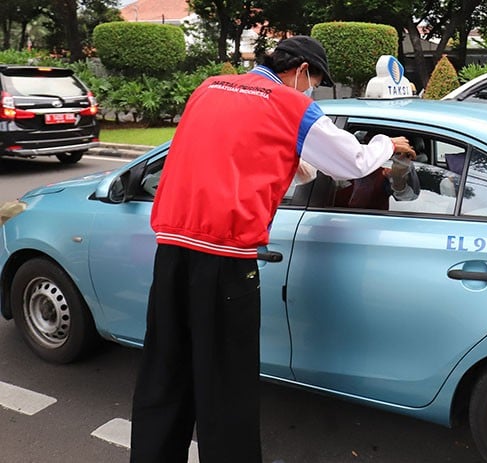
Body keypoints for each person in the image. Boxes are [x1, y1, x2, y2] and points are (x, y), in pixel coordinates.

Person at [129, 35, 415, 463]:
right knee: (226, 386)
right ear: (301, 69)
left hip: (171, 252)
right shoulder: (291, 106)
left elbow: (232, 154)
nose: (311, 90)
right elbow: (351, 163)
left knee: (164, 372)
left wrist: (295, 162)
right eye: (313, 82)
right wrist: (385, 146)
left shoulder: (209, 88)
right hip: (227, 260)